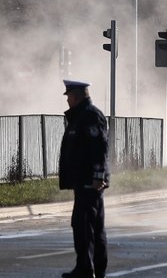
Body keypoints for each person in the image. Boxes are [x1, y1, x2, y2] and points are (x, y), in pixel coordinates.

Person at [58, 79, 110, 278]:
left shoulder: (89, 116)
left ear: (77, 96)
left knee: (87, 227)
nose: (67, 100)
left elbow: (99, 148)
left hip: (90, 181)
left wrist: (98, 175)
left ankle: (88, 269)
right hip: (83, 181)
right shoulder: (80, 116)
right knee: (85, 226)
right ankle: (87, 267)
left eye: (69, 96)